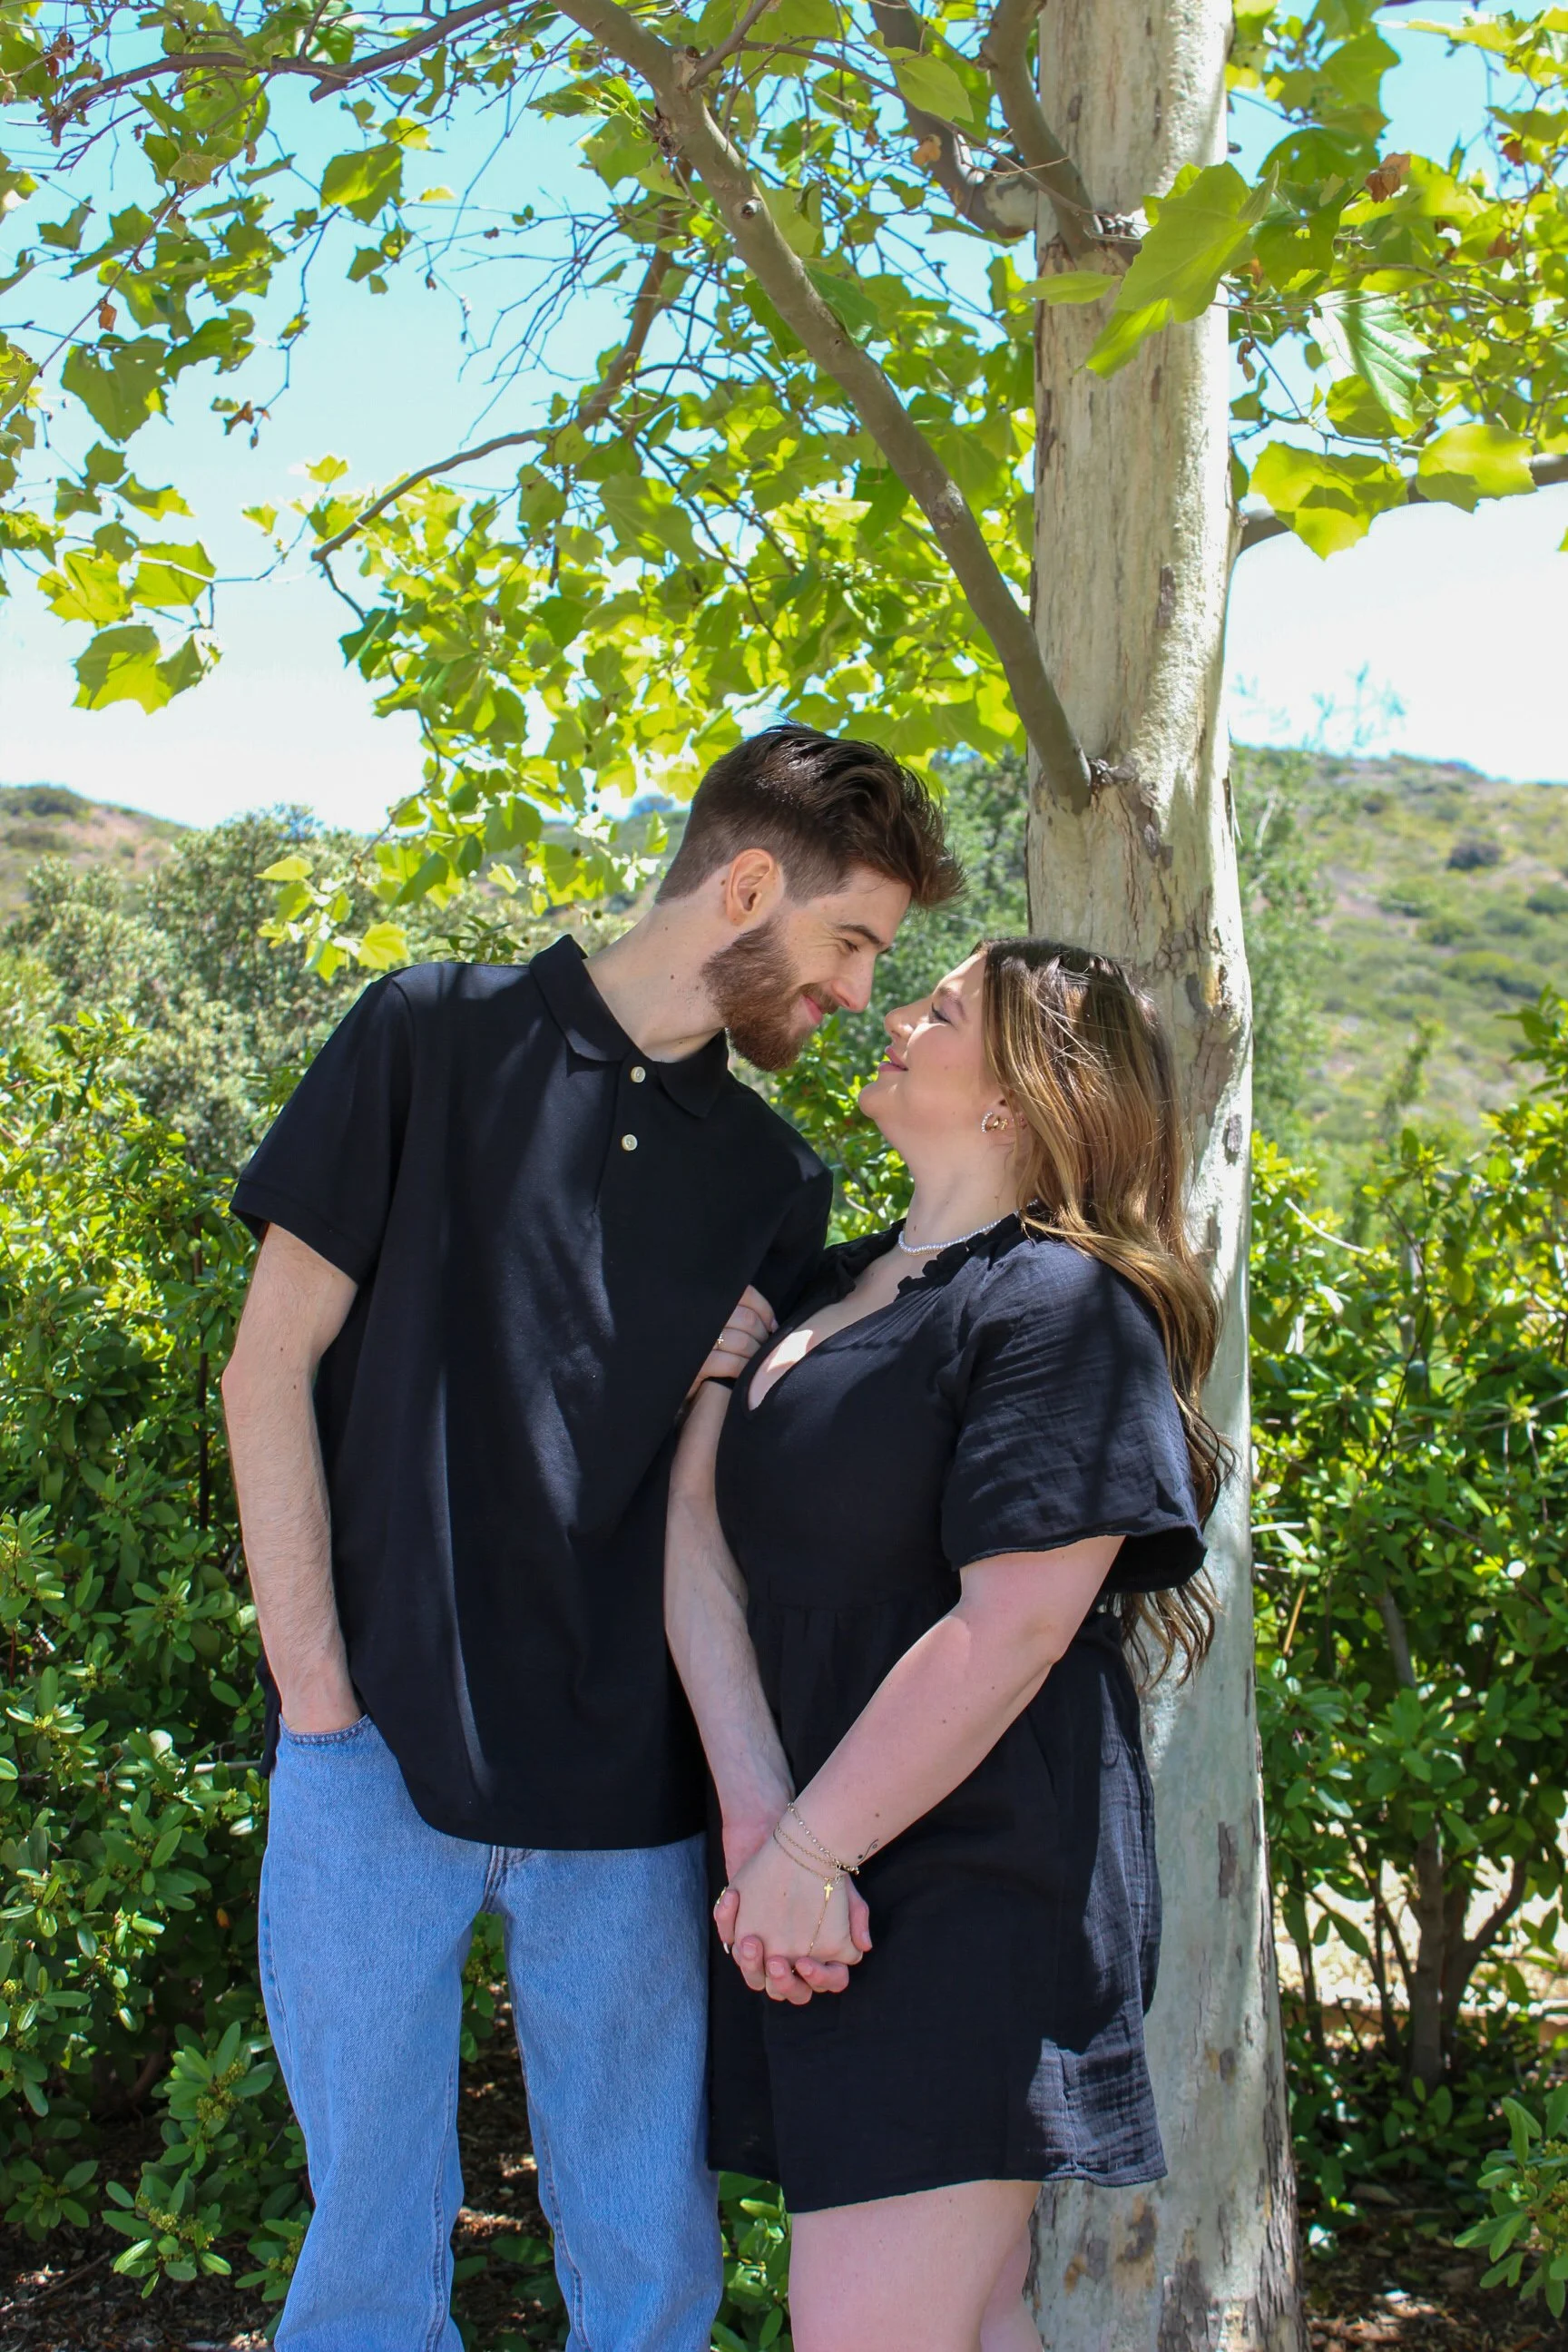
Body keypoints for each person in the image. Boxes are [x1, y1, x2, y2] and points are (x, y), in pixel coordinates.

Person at [218, 724, 961, 2352]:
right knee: (365, 2260)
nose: (851, 998)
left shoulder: (775, 1176)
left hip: (628, 1800)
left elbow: (711, 1500)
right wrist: (321, 1700)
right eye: (849, 945)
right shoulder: (427, 1035)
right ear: (748, 886)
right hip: (372, 1762)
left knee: (647, 2263)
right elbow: (267, 1370)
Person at [665, 938, 1225, 2352]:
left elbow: (1017, 1624)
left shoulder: (1061, 1304)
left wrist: (809, 1855)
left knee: (871, 2329)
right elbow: (707, 1556)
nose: (895, 1014)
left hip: (972, 1878)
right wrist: (755, 1825)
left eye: (944, 1008)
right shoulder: (834, 1284)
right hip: (809, 1861)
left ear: (1024, 1095)